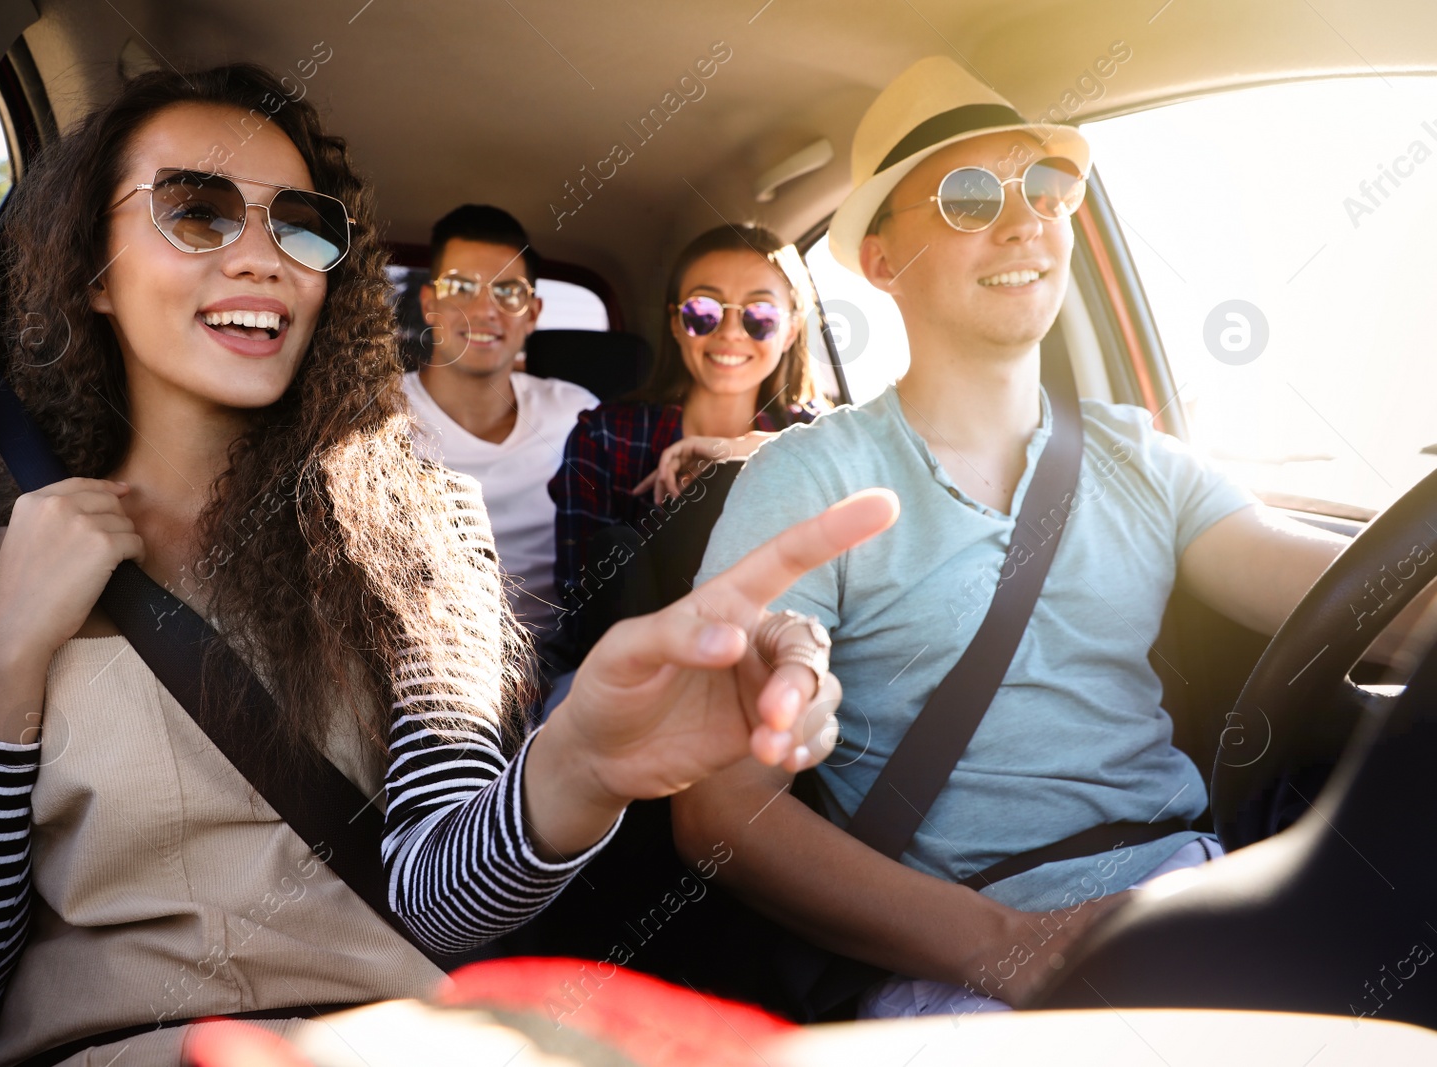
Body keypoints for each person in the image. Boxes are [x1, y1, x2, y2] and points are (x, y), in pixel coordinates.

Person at [0, 64, 895, 1064]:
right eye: (196, 210)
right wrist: (8, 648)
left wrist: (577, 765)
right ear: (93, 273)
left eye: (299, 226)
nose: (261, 256)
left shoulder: (419, 530)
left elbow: (440, 899)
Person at [673, 55, 1437, 1020]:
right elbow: (717, 807)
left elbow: (1347, 594)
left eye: (1047, 186)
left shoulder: (1139, 456)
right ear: (881, 259)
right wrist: (1006, 947)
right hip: (957, 957)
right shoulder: (808, 477)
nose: (1025, 216)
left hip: (1190, 895)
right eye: (965, 194)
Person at [550, 223, 826, 658]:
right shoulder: (604, 436)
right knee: (615, 548)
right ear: (677, 324)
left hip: (777, 654)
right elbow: (579, 603)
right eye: (704, 311)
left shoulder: (818, 438)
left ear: (790, 330)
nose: (731, 333)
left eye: (760, 316)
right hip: (636, 664)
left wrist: (737, 452)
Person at [403, 205, 597, 648]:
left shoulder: (577, 415)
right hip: (416, 668)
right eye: (461, 288)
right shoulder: (371, 419)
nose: (484, 310)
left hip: (559, 670)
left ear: (532, 312)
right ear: (429, 303)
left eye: (508, 292)